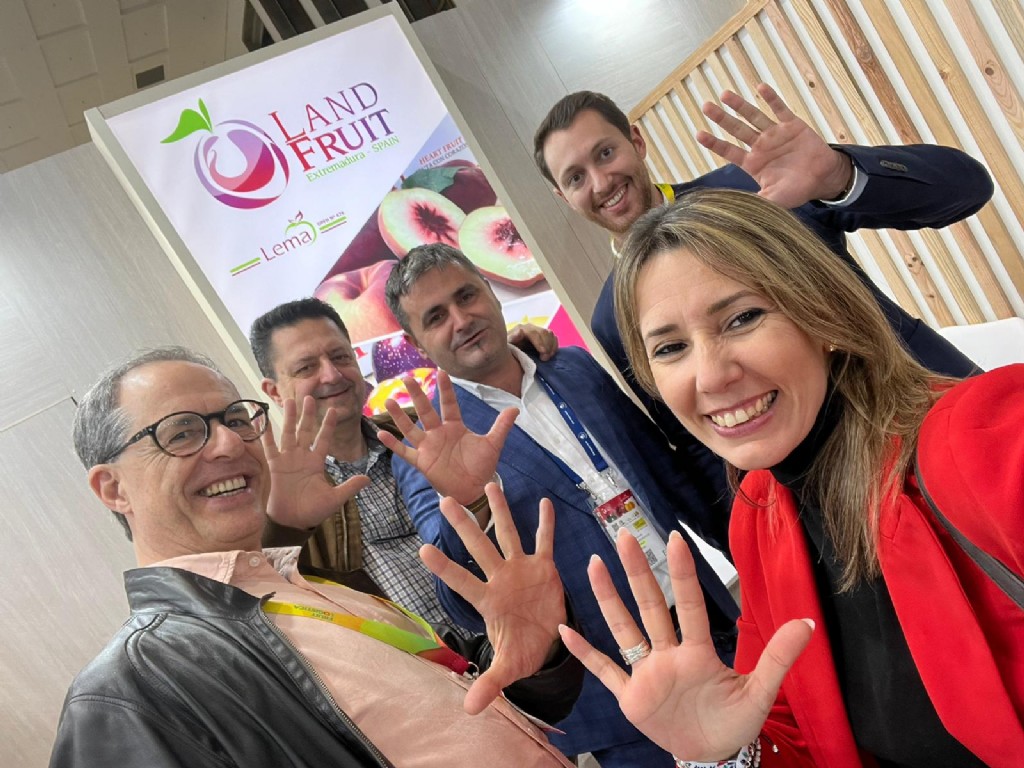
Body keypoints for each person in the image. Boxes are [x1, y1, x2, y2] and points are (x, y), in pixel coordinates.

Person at [558, 188, 1023, 767]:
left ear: (823, 313)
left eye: (742, 318)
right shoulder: (759, 515)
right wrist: (726, 752)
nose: (710, 376)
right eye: (671, 347)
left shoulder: (984, 437)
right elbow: (800, 736)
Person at [51, 346, 584, 768]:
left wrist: (534, 657)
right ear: (113, 488)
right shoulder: (128, 687)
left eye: (236, 419)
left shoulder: (314, 588)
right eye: (182, 432)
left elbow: (473, 700)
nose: (230, 445)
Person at [380, 242, 739, 767]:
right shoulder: (428, 449)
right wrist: (471, 501)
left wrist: (747, 547)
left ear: (492, 293)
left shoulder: (572, 366)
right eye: (436, 317)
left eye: (467, 296)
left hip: (710, 626)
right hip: (618, 694)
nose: (461, 319)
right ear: (416, 343)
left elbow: (662, 472)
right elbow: (463, 602)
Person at [533, 83, 989, 456]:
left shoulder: (756, 185)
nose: (601, 182)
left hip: (939, 411)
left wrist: (838, 175)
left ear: (636, 142)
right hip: (830, 502)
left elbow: (967, 188)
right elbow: (694, 441)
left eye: (605, 153)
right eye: (575, 177)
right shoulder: (611, 317)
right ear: (561, 196)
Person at [250, 298, 557, 629]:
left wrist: (511, 356)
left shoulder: (423, 430)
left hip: (527, 628)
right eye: (306, 368)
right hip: (418, 659)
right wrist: (284, 530)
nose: (332, 375)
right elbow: (264, 601)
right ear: (274, 392)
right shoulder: (273, 499)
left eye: (340, 356)